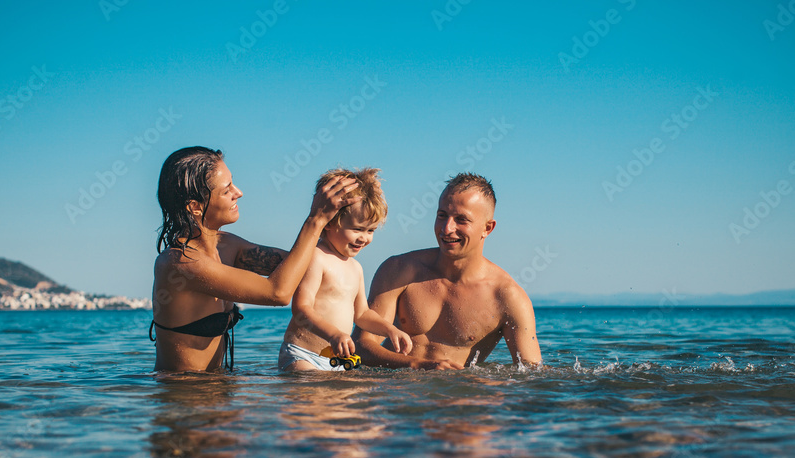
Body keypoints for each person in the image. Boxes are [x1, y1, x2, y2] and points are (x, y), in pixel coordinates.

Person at [151, 146, 359, 372]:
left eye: (233, 183)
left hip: (218, 389)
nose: (238, 192)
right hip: (183, 397)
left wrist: (358, 202)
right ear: (195, 207)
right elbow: (277, 293)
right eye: (226, 189)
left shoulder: (227, 246)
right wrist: (315, 220)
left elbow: (303, 267)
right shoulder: (180, 263)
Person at [355, 172, 542, 370]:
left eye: (461, 219)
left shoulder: (507, 297)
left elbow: (532, 375)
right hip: (395, 397)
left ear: (487, 228)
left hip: (457, 399)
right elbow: (360, 346)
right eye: (442, 216)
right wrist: (417, 364)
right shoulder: (399, 270)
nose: (446, 228)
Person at [279, 168, 412, 371]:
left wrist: (390, 330)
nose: (364, 238)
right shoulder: (317, 257)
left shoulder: (355, 268)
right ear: (331, 222)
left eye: (371, 230)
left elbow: (362, 315)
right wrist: (334, 334)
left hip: (336, 360)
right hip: (303, 355)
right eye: (358, 229)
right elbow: (301, 310)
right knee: (310, 390)